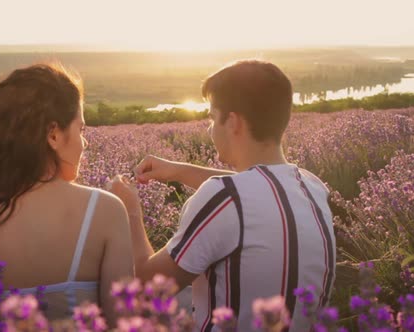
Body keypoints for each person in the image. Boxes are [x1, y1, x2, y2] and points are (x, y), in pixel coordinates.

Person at [109, 60, 335, 331]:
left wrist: (129, 209)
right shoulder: (313, 187)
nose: (209, 129)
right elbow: (257, 192)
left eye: (212, 118)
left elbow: (147, 286)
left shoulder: (224, 197)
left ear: (232, 122)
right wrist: (179, 171)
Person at [0, 63, 134, 324]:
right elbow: (123, 323)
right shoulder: (104, 209)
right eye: (81, 129)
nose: (85, 142)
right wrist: (132, 214)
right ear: (54, 135)